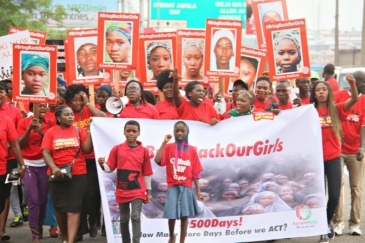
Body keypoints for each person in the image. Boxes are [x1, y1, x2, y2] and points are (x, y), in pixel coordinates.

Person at [310, 75, 358, 243]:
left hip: (333, 158)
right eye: (318, 90)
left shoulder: (336, 109)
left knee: (335, 195)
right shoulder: (309, 111)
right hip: (316, 160)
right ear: (314, 94)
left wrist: (352, 83)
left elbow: (354, 98)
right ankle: (324, 229)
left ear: (329, 92)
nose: (321, 92)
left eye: (324, 89)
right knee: (319, 196)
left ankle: (327, 221)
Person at [41, 105, 93, 243]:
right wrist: (53, 167)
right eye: (66, 114)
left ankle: (70, 241)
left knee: (73, 209)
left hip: (78, 175)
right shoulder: (51, 132)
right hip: (57, 175)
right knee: (61, 210)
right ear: (58, 118)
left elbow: (87, 150)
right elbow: (46, 152)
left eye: (71, 114)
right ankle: (65, 237)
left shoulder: (79, 131)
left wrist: (91, 132)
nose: (70, 117)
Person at [97, 120, 153, 243]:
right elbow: (109, 168)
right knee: (123, 218)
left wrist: (148, 192)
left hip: (138, 190)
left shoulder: (144, 151)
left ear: (139, 133)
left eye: (134, 131)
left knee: (135, 216)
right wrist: (102, 165)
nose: (131, 133)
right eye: (128, 131)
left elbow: (147, 173)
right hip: (122, 190)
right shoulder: (117, 149)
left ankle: (136, 241)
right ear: (124, 132)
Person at [64, 84, 106, 240]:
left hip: (92, 160)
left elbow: (103, 118)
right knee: (78, 198)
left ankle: (94, 220)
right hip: (75, 162)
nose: (78, 103)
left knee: (92, 194)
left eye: (80, 100)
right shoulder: (66, 114)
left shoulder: (89, 110)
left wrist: (88, 103)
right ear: (68, 102)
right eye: (74, 100)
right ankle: (80, 231)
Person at [154, 121, 204, 243]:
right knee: (171, 214)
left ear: (187, 132)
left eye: (182, 131)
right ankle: (172, 236)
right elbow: (157, 160)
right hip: (173, 185)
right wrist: (164, 142)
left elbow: (196, 173)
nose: (179, 133)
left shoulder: (192, 150)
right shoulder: (169, 147)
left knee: (184, 215)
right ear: (173, 132)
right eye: (177, 131)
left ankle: (182, 240)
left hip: (186, 186)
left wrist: (198, 190)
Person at [332, 70, 365, 236]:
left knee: (356, 188)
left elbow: (364, 125)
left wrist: (362, 148)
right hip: (338, 150)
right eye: (362, 83)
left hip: (356, 151)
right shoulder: (338, 95)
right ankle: (337, 223)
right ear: (354, 81)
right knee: (338, 186)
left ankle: (354, 224)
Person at [18, 103, 56, 242]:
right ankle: (35, 233)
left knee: (43, 200)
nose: (43, 109)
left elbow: (54, 143)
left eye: (44, 106)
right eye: (39, 107)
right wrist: (29, 128)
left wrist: (41, 132)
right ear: (31, 109)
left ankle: (39, 226)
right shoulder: (23, 122)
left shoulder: (50, 122)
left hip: (44, 165)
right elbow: (20, 144)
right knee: (33, 199)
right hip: (28, 165)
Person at [0, 82, 26, 242]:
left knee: (4, 196)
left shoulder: (8, 117)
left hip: (5, 165)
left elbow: (15, 143)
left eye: (1, 91)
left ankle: (1, 230)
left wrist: (22, 164)